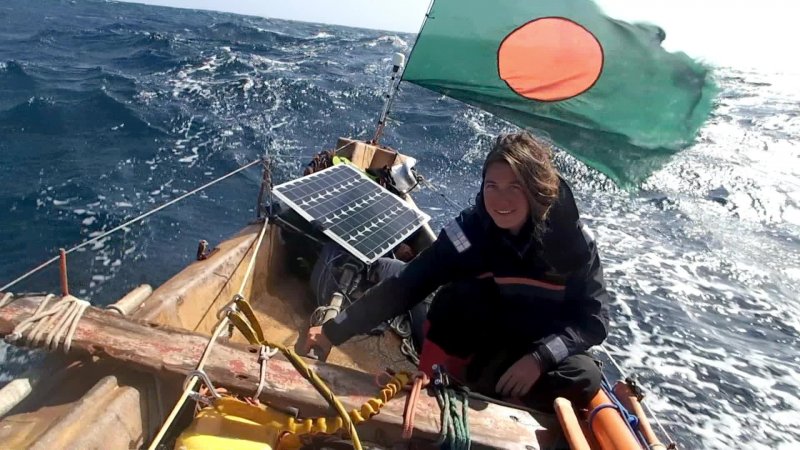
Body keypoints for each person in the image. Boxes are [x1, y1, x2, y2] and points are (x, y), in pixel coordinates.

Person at [300, 131, 609, 411]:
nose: (501, 200)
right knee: (435, 292)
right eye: (492, 186)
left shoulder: (573, 246)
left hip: (528, 347)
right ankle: (454, 384)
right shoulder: (469, 233)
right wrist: (332, 331)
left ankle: (494, 397)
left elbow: (593, 321)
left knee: (584, 375)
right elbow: (410, 283)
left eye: (515, 187)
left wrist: (540, 358)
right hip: (473, 344)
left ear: (535, 190)